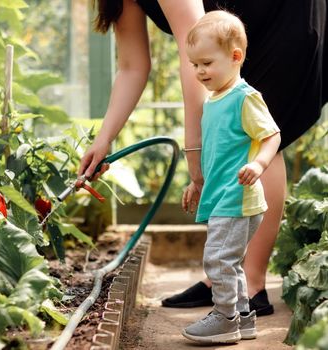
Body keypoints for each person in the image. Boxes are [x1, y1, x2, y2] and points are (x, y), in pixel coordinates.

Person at [79, 0, 326, 317]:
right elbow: (132, 66)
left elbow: (189, 50)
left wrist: (194, 147)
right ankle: (222, 282)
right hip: (235, 35)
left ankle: (250, 287)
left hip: (286, 16)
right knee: (240, 131)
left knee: (257, 137)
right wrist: (103, 140)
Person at [180, 10, 281, 343]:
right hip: (222, 195)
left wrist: (260, 165)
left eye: (206, 63)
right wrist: (197, 183)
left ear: (235, 56)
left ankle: (224, 318)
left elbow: (271, 135)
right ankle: (243, 317)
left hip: (238, 197)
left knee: (218, 259)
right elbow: (216, 154)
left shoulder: (244, 98)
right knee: (231, 262)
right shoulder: (215, 100)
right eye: (194, 65)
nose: (199, 71)